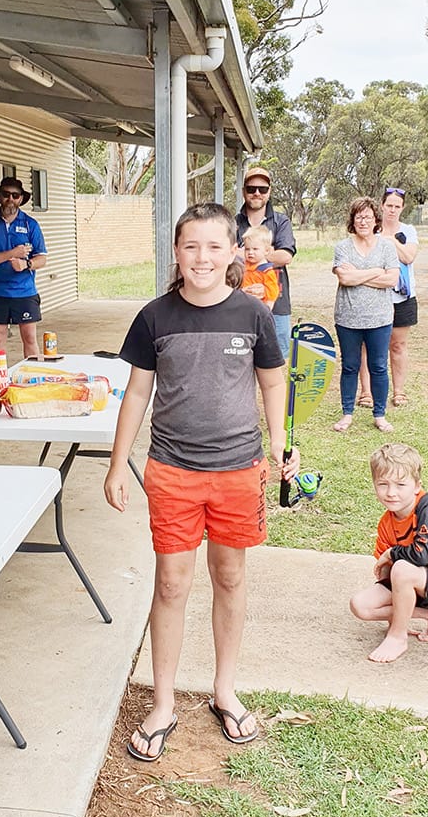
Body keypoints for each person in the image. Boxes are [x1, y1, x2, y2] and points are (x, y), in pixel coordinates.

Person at [104, 202, 299, 762]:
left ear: (234, 252)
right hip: (172, 471)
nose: (203, 257)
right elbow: (137, 392)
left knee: (231, 578)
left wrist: (281, 443)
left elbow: (272, 383)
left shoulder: (254, 315)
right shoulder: (154, 318)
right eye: (191, 246)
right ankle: (163, 701)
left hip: (239, 469)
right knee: (171, 584)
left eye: (215, 246)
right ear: (176, 253)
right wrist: (119, 462)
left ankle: (224, 690)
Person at [349, 442, 428, 663]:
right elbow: (386, 575)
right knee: (360, 605)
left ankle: (398, 637)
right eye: (383, 484)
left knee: (401, 568)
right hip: (421, 587)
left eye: (401, 484)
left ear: (417, 485)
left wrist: (392, 553)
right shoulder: (386, 523)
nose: (391, 493)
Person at [331, 196, 400, 433]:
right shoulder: (343, 247)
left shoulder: (387, 247)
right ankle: (347, 413)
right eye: (358, 217)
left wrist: (359, 275)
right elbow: (345, 278)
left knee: (379, 366)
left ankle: (379, 414)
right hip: (348, 318)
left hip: (380, 319)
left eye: (368, 217)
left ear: (375, 220)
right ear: (352, 221)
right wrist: (375, 271)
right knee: (350, 365)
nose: (363, 221)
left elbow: (392, 279)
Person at [356, 187, 419, 408]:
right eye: (389, 205)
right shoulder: (370, 229)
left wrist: (390, 240)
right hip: (373, 295)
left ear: (402, 209)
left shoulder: (408, 231)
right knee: (367, 345)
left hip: (402, 298)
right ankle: (366, 392)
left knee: (398, 345)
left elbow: (409, 257)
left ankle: (399, 391)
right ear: (382, 206)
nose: (392, 210)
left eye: (397, 206)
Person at [0, 176, 47, 359]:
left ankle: (32, 381)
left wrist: (26, 264)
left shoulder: (30, 224)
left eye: (15, 195)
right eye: (6, 194)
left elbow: (42, 258)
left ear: (21, 199)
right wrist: (12, 253)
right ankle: (0, 382)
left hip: (25, 291)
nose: (10, 199)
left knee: (30, 339)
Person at [235, 167, 296, 358]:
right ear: (244, 190)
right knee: (240, 359)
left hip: (276, 306)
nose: (257, 193)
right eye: (251, 188)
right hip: (238, 304)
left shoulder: (281, 221)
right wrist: (265, 254)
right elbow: (223, 258)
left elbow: (285, 256)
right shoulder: (231, 223)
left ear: (269, 192)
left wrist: (243, 254)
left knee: (276, 360)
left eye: (262, 189)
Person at [240, 227, 279, 309]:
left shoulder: (266, 271)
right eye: (247, 249)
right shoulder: (243, 266)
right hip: (243, 306)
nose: (250, 252)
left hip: (259, 308)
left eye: (255, 249)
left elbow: (272, 292)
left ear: (266, 251)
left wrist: (268, 308)